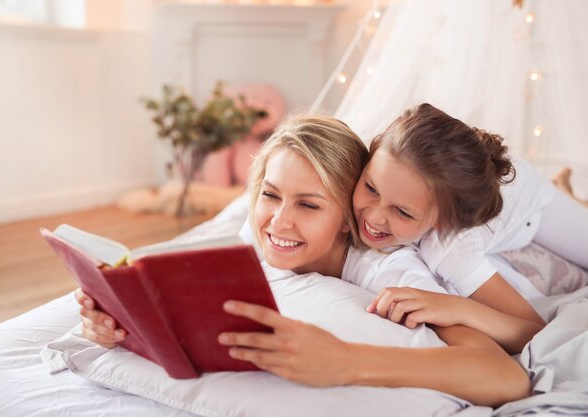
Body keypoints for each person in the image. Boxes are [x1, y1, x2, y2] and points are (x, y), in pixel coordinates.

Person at [75, 114, 530, 407]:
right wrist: (120, 323)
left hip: (518, 225)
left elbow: (504, 376)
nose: (279, 222)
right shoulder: (256, 229)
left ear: (345, 220)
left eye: (309, 206)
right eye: (270, 195)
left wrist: (347, 361)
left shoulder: (388, 269)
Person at [355, 103, 588, 354]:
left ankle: (565, 192)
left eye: (402, 211)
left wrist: (458, 308)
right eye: (371, 188)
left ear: (442, 222)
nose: (374, 217)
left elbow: (537, 333)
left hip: (526, 200)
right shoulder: (382, 159)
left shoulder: (450, 249)